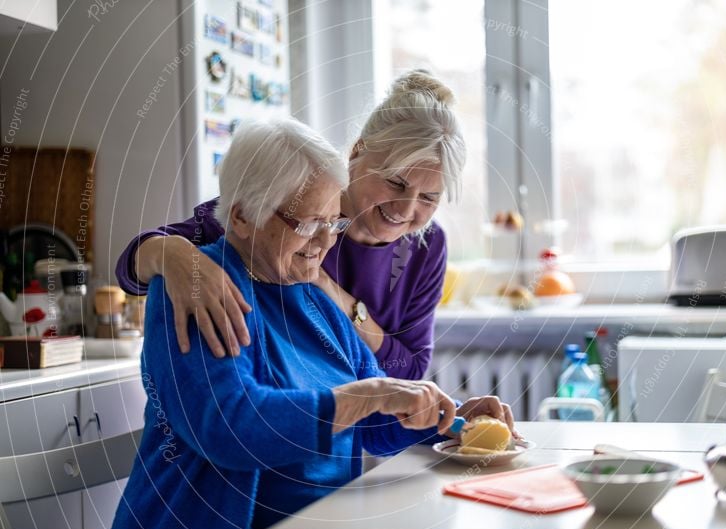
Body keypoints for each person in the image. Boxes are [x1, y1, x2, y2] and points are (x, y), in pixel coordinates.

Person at [112, 118, 514, 529]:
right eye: (308, 224)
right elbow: (230, 427)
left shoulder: (316, 301)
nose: (326, 242)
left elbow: (376, 424)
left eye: (334, 222)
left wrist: (451, 419)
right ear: (244, 217)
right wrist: (365, 396)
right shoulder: (201, 291)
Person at [114, 70, 481, 390]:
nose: (407, 209)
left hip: (356, 434)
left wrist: (336, 297)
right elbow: (130, 269)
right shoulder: (293, 198)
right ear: (358, 151)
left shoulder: (426, 245)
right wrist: (174, 254)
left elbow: (409, 372)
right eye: (396, 183)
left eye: (429, 197)